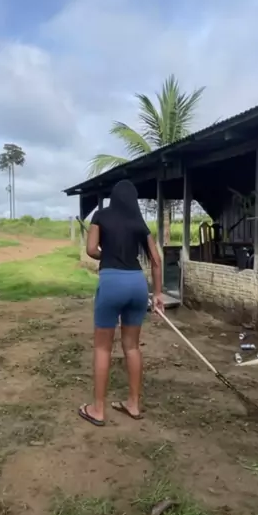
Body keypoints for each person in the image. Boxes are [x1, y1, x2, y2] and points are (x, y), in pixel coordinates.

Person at [78, 179, 164, 427]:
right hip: (137, 284)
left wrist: (107, 253)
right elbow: (156, 260)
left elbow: (91, 249)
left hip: (112, 283)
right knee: (132, 347)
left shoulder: (101, 216)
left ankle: (98, 410)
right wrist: (158, 294)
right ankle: (133, 404)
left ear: (113, 197)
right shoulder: (139, 221)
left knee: (103, 348)